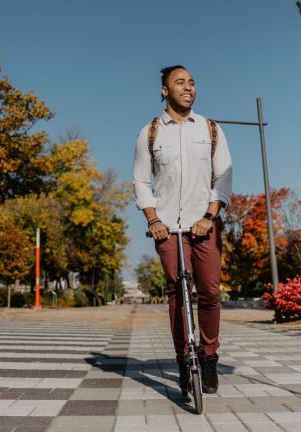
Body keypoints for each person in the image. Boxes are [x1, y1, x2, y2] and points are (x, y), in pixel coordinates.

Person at [132, 65, 233, 395]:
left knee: (210, 292)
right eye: (180, 82)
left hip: (204, 224)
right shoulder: (149, 133)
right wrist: (153, 220)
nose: (188, 87)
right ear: (165, 90)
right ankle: (183, 360)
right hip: (167, 228)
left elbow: (223, 178)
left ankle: (209, 357)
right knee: (178, 292)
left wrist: (210, 214)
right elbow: (141, 181)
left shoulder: (211, 129)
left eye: (191, 82)